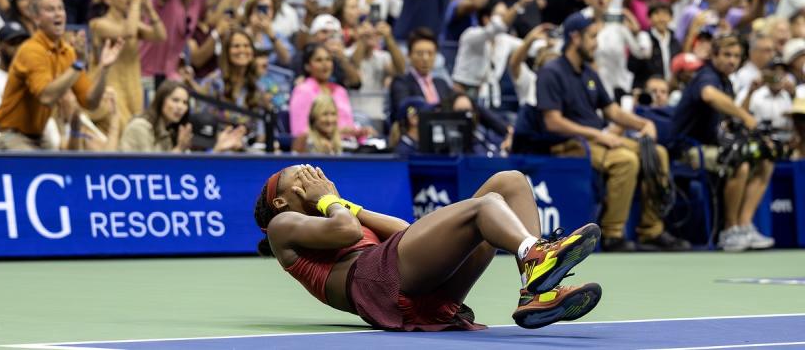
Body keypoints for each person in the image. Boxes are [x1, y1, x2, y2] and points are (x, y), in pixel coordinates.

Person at [254, 164, 603, 330]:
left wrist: (343, 203)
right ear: (281, 201)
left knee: (510, 182)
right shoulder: (281, 227)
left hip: (406, 277)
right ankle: (534, 255)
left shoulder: (334, 213)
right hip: (376, 283)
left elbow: (403, 230)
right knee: (486, 205)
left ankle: (536, 292)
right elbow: (347, 233)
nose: (312, 177)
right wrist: (330, 200)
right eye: (300, 177)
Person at [528, 11, 689, 252]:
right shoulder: (552, 72)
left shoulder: (589, 73)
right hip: (569, 143)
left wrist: (642, 124)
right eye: (592, 37)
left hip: (596, 140)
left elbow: (612, 110)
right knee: (625, 161)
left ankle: (651, 231)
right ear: (575, 37)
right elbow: (552, 121)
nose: (596, 43)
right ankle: (613, 234)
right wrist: (597, 135)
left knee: (658, 154)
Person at [671, 34, 773, 251]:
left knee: (765, 162)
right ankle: (729, 230)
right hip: (688, 149)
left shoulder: (726, 81)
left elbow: (732, 117)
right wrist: (745, 117)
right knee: (740, 163)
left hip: (714, 146)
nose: (732, 61)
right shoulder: (706, 75)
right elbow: (709, 96)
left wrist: (750, 95)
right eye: (727, 55)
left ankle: (744, 225)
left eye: (736, 56)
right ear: (714, 55)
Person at [0, 0, 124, 150]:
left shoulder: (68, 52)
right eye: (50, 9)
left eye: (61, 8)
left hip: (38, 137)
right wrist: (78, 64)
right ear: (37, 18)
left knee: (71, 164)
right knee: (36, 169)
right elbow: (46, 96)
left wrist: (104, 69)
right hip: (9, 135)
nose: (58, 13)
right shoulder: (31, 50)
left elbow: (90, 102)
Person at [89, 0, 166, 127]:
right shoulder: (98, 24)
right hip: (110, 91)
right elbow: (128, 32)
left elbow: (160, 35)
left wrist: (149, 8)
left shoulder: (132, 23)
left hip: (133, 89)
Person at [289, 43, 359, 139]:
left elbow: (350, 125)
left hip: (349, 147)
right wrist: (338, 132)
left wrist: (360, 133)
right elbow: (299, 132)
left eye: (328, 59)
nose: (325, 64)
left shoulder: (340, 91)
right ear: (307, 66)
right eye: (319, 60)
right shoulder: (303, 91)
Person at [389, 28, 451, 121]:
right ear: (409, 55)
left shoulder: (442, 84)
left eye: (430, 53)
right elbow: (404, 110)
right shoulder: (402, 82)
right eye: (419, 53)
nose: (425, 58)